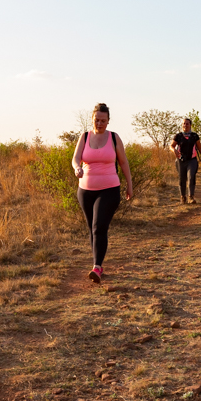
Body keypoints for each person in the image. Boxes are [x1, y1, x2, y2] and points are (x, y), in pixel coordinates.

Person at [72, 103, 133, 284]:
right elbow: (76, 158)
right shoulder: (84, 137)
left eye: (103, 121)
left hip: (109, 189)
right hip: (85, 190)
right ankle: (96, 264)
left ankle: (97, 267)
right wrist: (77, 168)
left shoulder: (114, 138)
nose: (99, 124)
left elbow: (123, 162)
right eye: (96, 120)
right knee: (92, 228)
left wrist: (129, 185)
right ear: (92, 119)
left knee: (99, 227)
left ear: (108, 121)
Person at [170, 118, 201, 204]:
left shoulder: (194, 136)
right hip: (181, 160)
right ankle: (183, 197)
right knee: (182, 178)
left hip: (192, 160)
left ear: (190, 125)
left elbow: (200, 148)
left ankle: (191, 197)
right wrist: (174, 150)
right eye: (184, 123)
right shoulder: (178, 136)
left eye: (187, 124)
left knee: (191, 177)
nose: (185, 125)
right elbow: (171, 146)